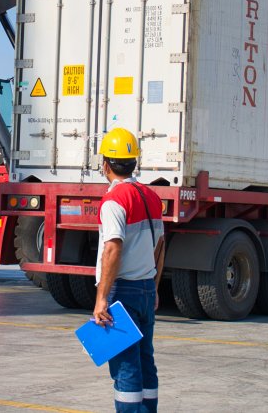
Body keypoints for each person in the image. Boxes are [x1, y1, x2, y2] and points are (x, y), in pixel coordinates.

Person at [93, 127, 165, 413]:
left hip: (122, 291)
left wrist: (102, 299)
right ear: (135, 162)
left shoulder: (114, 201)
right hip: (146, 289)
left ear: (106, 165)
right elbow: (160, 246)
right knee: (145, 361)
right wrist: (155, 287)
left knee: (125, 367)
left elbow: (112, 249)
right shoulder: (152, 197)